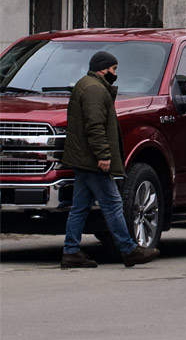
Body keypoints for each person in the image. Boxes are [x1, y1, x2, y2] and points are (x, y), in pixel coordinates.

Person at [60, 51, 160, 269]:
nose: (115, 74)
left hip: (82, 159)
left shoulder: (86, 84)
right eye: (114, 69)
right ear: (103, 69)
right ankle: (128, 249)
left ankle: (71, 251)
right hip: (92, 160)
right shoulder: (95, 89)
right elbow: (94, 126)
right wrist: (103, 156)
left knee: (79, 207)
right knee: (113, 204)